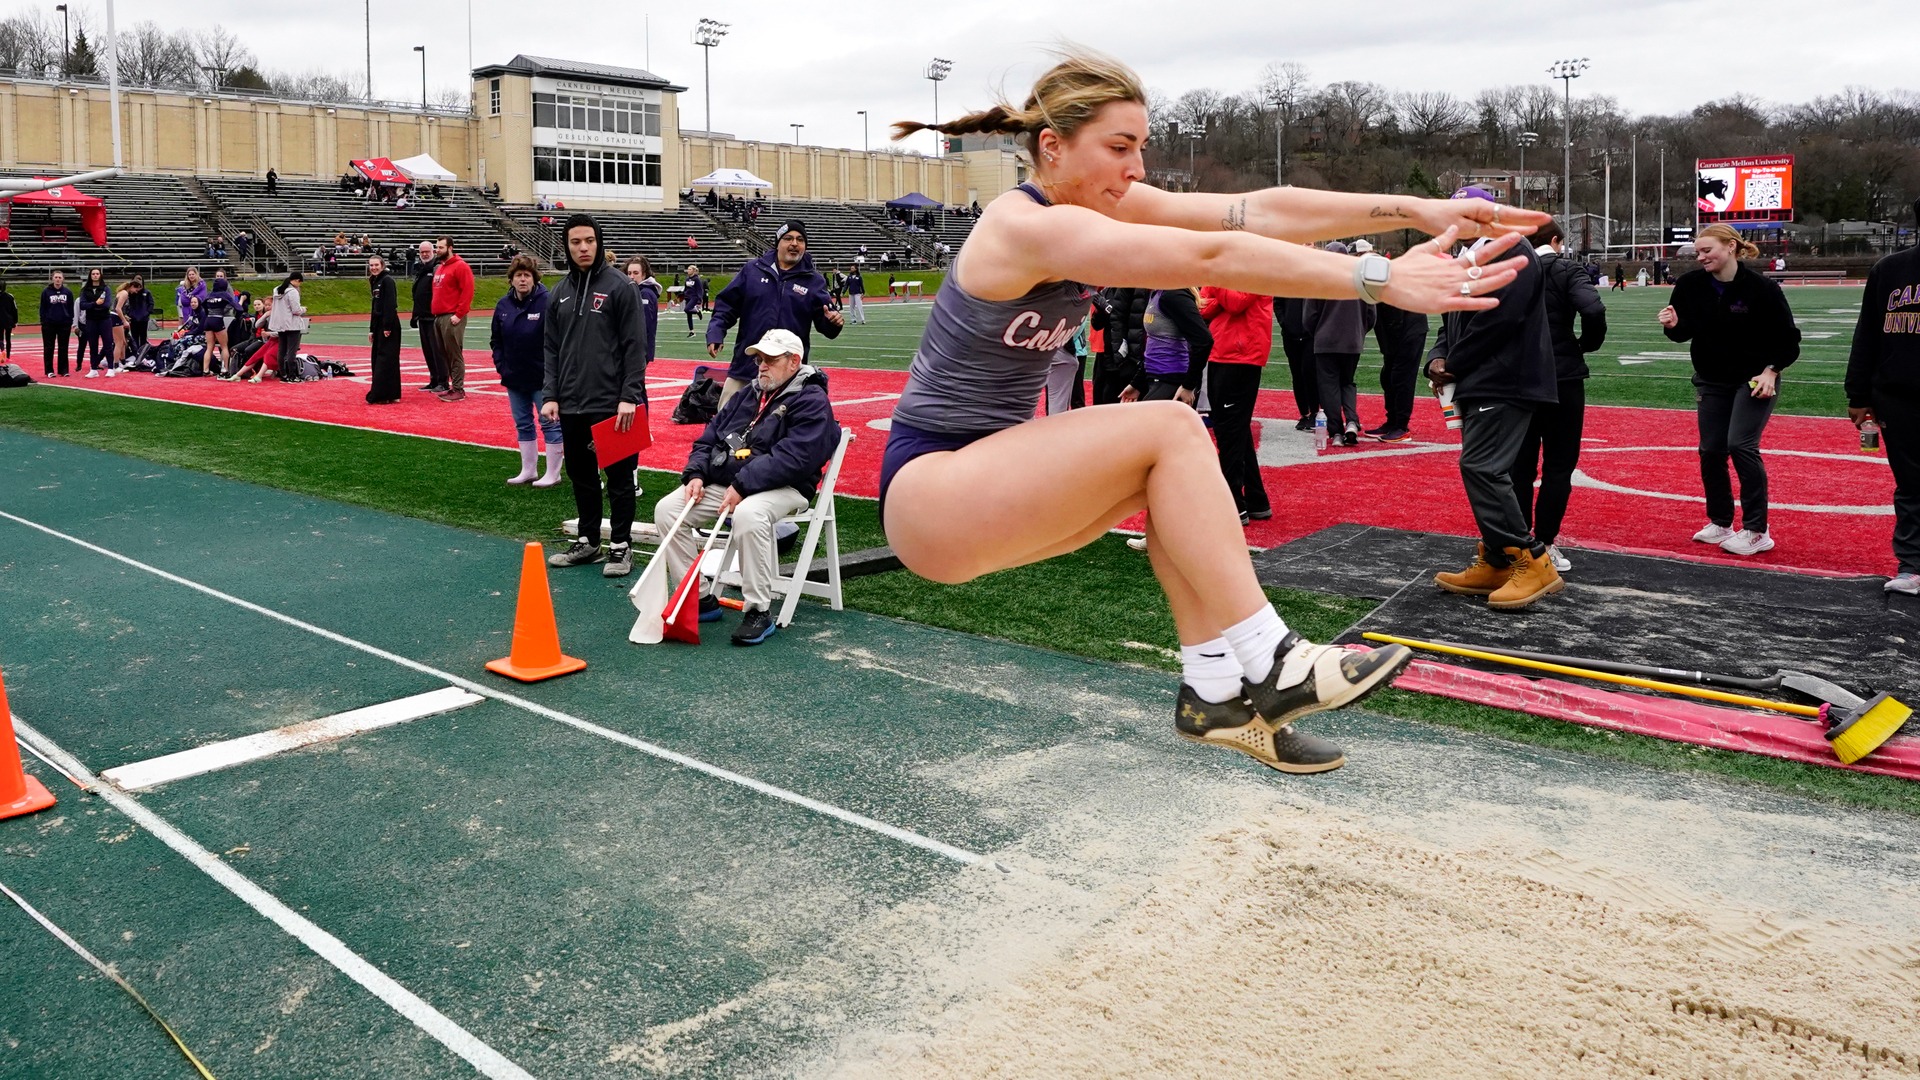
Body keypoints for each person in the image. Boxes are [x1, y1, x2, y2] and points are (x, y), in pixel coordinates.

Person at [880, 51, 1542, 774]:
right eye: (1119, 148)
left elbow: (1263, 209)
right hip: (931, 492)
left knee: (1173, 473)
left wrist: (1411, 210)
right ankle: (1275, 658)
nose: (1136, 168)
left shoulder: (1102, 204)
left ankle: (1215, 690)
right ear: (1052, 146)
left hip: (988, 493)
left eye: (1141, 149)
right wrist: (1377, 277)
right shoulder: (1025, 226)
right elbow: (1217, 251)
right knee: (1170, 425)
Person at [654, 329, 839, 645]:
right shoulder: (747, 395)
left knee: (749, 515)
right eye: (759, 359)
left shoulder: (811, 400)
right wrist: (696, 474)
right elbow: (709, 438)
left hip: (786, 488)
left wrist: (743, 484)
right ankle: (698, 598)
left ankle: (759, 610)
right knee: (668, 509)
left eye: (770, 359)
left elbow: (795, 458)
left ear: (794, 361)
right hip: (733, 483)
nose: (761, 366)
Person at [1427, 187, 1562, 610]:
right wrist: (1438, 356)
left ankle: (1531, 559)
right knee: (1482, 466)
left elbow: (1500, 320)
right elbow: (1451, 318)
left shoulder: (1512, 251)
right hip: (1484, 378)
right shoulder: (1472, 255)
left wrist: (1455, 362)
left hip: (1506, 377)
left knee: (1482, 466)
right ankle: (1498, 558)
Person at [1658, 222, 1801, 557]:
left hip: (1754, 378)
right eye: (1698, 252)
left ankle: (1756, 529)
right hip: (1711, 378)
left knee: (1741, 445)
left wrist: (1771, 371)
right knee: (1711, 450)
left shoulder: (1762, 289)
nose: (1701, 257)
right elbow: (1682, 334)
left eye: (1707, 250)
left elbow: (1789, 341)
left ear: (1732, 248)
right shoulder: (1691, 285)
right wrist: (1673, 325)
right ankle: (1721, 521)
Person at [542, 214, 649, 576]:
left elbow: (635, 345)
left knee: (620, 479)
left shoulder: (621, 286)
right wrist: (551, 394)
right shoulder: (558, 293)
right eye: (575, 242)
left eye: (589, 240)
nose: (583, 248)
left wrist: (630, 395)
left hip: (612, 402)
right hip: (571, 402)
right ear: (567, 246)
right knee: (581, 474)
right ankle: (588, 541)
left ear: (598, 242)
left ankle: (621, 546)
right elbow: (551, 349)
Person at [1513, 219, 1607, 572]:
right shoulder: (1567, 269)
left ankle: (1519, 542)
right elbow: (1593, 310)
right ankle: (1546, 544)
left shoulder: (1512, 269)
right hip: (1562, 378)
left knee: (1519, 467)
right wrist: (1583, 346)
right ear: (1556, 240)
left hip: (1519, 377)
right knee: (1558, 467)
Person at [1846, 199, 1920, 595]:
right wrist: (1857, 394)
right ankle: (1912, 565)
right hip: (1898, 396)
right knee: (1910, 484)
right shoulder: (1889, 270)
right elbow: (1867, 336)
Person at [706, 220, 844, 407]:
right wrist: (716, 331)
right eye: (788, 238)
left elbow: (825, 324)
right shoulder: (752, 270)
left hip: (789, 371)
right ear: (777, 243)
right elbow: (727, 305)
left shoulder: (814, 281)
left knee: (780, 427)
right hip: (747, 365)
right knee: (726, 421)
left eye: (800, 239)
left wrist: (833, 322)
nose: (794, 243)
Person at [1200, 285, 1274, 523]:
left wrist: (1216, 281)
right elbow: (1203, 307)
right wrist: (1220, 293)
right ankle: (1256, 500)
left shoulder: (1253, 267)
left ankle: (1233, 504)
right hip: (1223, 352)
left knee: (1229, 432)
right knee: (1235, 429)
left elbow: (1235, 302)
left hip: (1241, 356)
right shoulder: (1232, 269)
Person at [489, 255, 563, 484]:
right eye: (518, 275)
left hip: (542, 377)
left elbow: (557, 340)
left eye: (527, 275)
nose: (522, 280)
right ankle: (528, 470)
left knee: (550, 423)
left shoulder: (547, 301)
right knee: (522, 422)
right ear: (511, 279)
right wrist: (502, 366)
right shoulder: (503, 305)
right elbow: (496, 340)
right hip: (514, 376)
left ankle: (553, 472)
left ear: (534, 279)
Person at [1304, 243, 1372, 444]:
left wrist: (1319, 332)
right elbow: (1371, 314)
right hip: (1352, 340)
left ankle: (1336, 432)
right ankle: (1351, 421)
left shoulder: (1319, 280)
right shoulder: (1360, 279)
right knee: (1347, 382)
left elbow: (1309, 317)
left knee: (1328, 386)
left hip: (1326, 341)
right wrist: (1358, 331)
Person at [1367, 267, 1428, 442]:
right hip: (1395, 334)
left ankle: (1401, 426)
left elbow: (1394, 320)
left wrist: (1389, 349)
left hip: (1409, 333)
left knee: (1401, 378)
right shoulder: (1373, 285)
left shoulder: (1384, 287)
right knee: (1387, 377)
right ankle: (1392, 421)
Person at [1138, 286, 1212, 405]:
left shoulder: (1174, 296)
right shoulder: (1157, 292)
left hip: (1172, 379)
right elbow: (1153, 342)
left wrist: (1188, 385)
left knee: (1144, 422)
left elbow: (1204, 341)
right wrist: (1137, 383)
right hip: (1155, 376)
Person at [430, 235, 475, 403]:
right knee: (445, 354)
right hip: (439, 316)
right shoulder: (441, 268)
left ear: (450, 248)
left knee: (454, 353)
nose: (437, 250)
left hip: (451, 316)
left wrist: (459, 314)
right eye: (437, 247)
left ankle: (458, 389)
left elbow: (467, 291)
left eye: (441, 247)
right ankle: (452, 387)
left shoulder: (460, 267)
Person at [410, 240, 446, 393]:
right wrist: (415, 315)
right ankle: (434, 379)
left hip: (434, 317)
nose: (424, 254)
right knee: (428, 351)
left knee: (437, 351)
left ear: (433, 251)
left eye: (427, 251)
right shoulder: (422, 269)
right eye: (422, 252)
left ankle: (443, 382)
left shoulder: (437, 268)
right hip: (423, 316)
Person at [365, 255, 402, 405]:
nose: (373, 268)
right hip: (379, 325)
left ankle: (383, 394)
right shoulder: (375, 281)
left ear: (382, 265)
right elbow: (375, 308)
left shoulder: (387, 281)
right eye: (371, 265)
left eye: (376, 265)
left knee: (386, 360)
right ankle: (388, 393)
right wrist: (372, 329)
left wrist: (387, 326)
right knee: (378, 359)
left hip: (389, 324)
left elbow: (390, 305)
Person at [1276, 297, 1317, 429]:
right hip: (1290, 335)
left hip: (1310, 335)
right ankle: (1304, 413)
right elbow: (1277, 302)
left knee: (1309, 372)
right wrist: (1284, 322)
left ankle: (1315, 412)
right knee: (1297, 374)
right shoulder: (1286, 280)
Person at [624, 255, 662, 378]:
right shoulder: (637, 291)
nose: (631, 276)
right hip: (635, 348)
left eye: (635, 273)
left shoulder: (645, 293)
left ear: (644, 274)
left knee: (632, 384)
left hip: (638, 349)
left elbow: (644, 324)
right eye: (629, 273)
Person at [267, 271, 310, 373]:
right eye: (300, 283)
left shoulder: (277, 290)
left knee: (281, 350)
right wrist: (303, 309)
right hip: (292, 324)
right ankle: (292, 374)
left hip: (280, 324)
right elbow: (296, 310)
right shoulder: (292, 292)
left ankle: (282, 373)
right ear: (297, 280)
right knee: (292, 351)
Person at [76, 268, 114, 377]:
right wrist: (95, 303)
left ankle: (111, 368)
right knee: (93, 345)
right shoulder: (85, 290)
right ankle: (93, 368)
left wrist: (92, 306)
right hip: (91, 320)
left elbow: (107, 305)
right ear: (90, 276)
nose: (95, 275)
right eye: (93, 274)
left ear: (100, 275)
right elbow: (82, 305)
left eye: (97, 274)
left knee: (107, 344)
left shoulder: (106, 289)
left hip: (104, 319)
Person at [201, 271, 240, 376]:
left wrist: (208, 311)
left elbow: (202, 304)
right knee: (224, 346)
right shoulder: (224, 295)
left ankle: (205, 370)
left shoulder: (209, 295)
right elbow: (237, 307)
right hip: (218, 320)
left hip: (208, 320)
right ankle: (225, 369)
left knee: (209, 347)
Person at [38, 270, 74, 377]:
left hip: (64, 324)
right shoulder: (46, 292)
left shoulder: (67, 292)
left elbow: (70, 307)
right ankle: (49, 370)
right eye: (56, 277)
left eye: (60, 277)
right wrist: (44, 321)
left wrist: (69, 320)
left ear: (63, 279)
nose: (58, 279)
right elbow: (42, 307)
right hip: (49, 324)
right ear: (52, 278)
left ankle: (63, 370)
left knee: (63, 347)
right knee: (49, 347)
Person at [115, 277, 152, 366]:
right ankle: (115, 364)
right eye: (136, 289)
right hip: (116, 318)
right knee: (119, 342)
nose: (136, 291)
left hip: (118, 317)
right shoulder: (124, 293)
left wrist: (125, 317)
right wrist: (124, 320)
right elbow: (117, 308)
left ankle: (122, 361)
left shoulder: (124, 293)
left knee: (123, 342)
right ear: (132, 286)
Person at [683, 264, 707, 336]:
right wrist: (683, 294)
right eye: (688, 269)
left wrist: (700, 299)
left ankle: (697, 311)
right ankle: (692, 331)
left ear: (693, 271)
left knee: (686, 309)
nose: (688, 271)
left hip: (694, 297)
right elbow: (686, 288)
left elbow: (700, 290)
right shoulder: (687, 279)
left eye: (690, 269)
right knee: (688, 314)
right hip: (688, 297)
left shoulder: (696, 279)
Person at [0, 276, 15, 361]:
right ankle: (8, 356)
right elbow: (14, 309)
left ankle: (2, 351)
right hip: (8, 320)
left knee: (0, 338)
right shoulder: (10, 296)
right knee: (8, 338)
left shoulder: (9, 297)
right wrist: (15, 320)